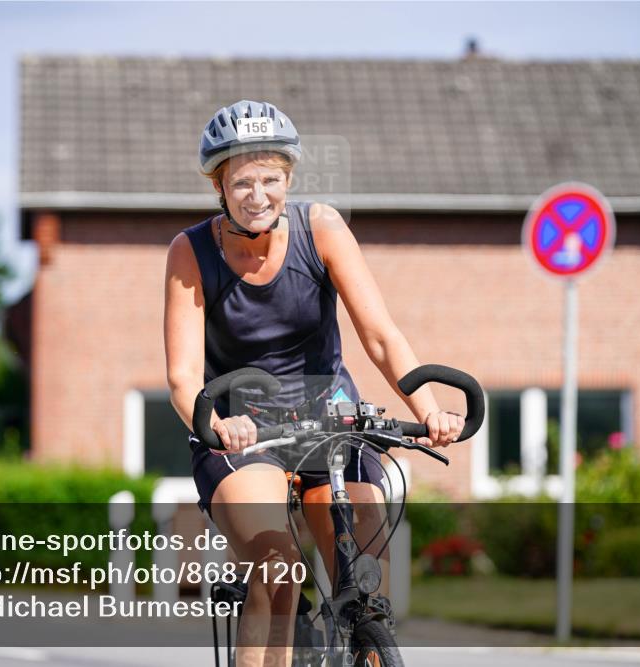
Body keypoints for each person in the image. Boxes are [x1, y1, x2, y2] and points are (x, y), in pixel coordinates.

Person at [164, 100, 464, 667]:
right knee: (277, 571)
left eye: (271, 180)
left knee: (367, 577)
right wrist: (219, 425)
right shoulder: (192, 251)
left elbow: (380, 336)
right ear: (219, 186)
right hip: (244, 432)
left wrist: (428, 408)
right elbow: (182, 376)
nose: (258, 195)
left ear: (289, 179)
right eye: (242, 182)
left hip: (330, 419)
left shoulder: (320, 227)